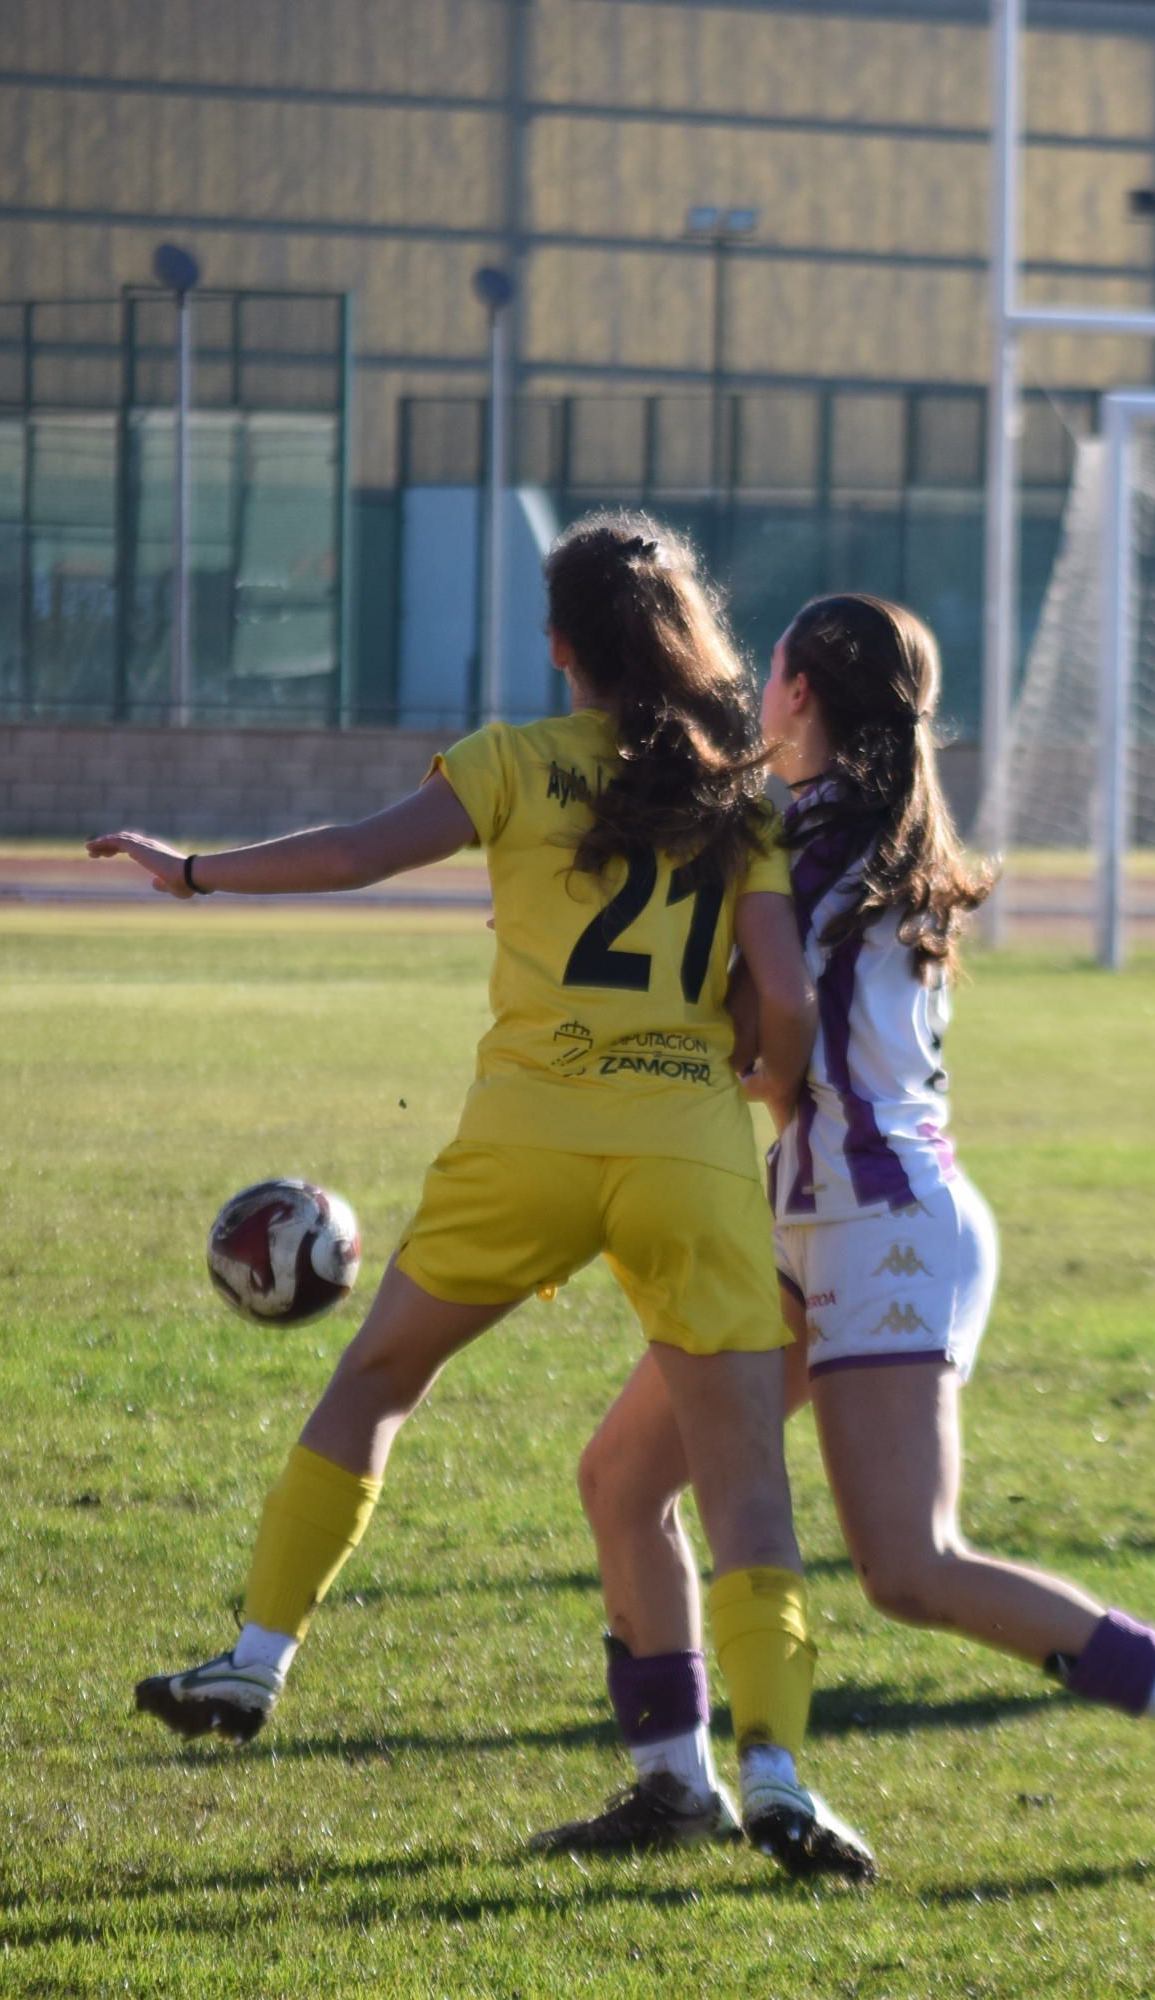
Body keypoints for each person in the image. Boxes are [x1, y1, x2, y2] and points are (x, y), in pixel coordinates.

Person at [91, 513, 881, 1880]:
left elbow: (354, 850)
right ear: (688, 636)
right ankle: (779, 1779)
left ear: (563, 647)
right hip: (686, 1153)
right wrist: (759, 1081)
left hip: (524, 1143)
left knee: (378, 1378)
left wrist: (197, 869)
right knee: (748, 1493)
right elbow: (789, 1000)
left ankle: (256, 1662)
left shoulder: (514, 761)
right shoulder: (734, 793)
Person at [548, 593, 1155, 1864]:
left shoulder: (807, 830)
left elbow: (753, 1028)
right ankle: (673, 1784)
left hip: (883, 1225)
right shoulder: (867, 823)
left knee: (907, 1563)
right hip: (813, 1215)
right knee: (623, 1480)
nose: (754, 693)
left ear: (797, 697)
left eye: (768, 673)